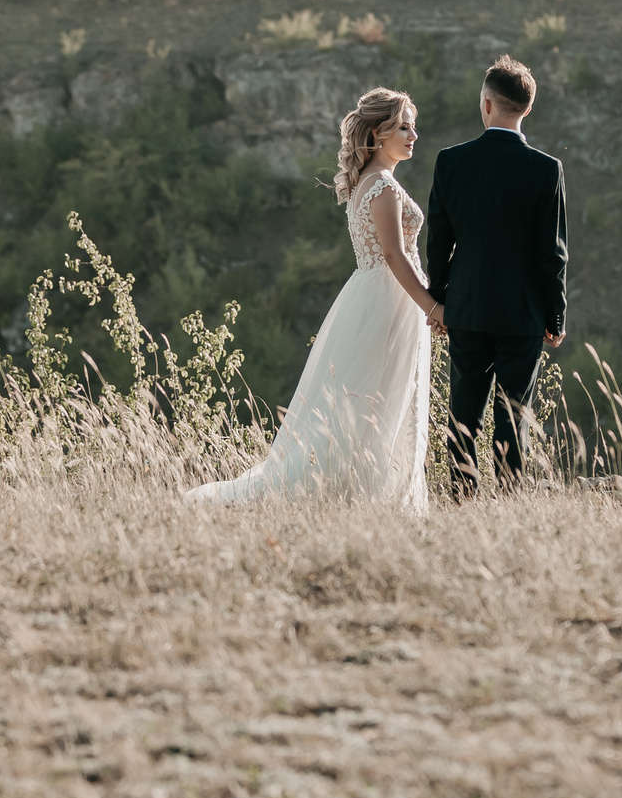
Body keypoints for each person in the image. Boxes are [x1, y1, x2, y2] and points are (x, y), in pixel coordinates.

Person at [185, 88, 438, 512]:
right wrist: (433, 307)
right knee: (379, 400)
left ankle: (362, 495)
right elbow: (394, 255)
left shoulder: (367, 183)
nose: (414, 135)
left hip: (371, 298)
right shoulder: (384, 188)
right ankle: (364, 497)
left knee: (364, 399)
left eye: (413, 125)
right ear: (378, 134)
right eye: (404, 127)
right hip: (387, 300)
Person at [422, 55, 567, 497]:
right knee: (513, 416)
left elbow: (438, 242)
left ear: (486, 105)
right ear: (526, 108)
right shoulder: (546, 169)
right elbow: (553, 253)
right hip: (523, 314)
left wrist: (439, 302)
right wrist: (555, 316)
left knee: (463, 415)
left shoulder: (451, 161)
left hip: (465, 308)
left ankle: (462, 498)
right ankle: (507, 505)